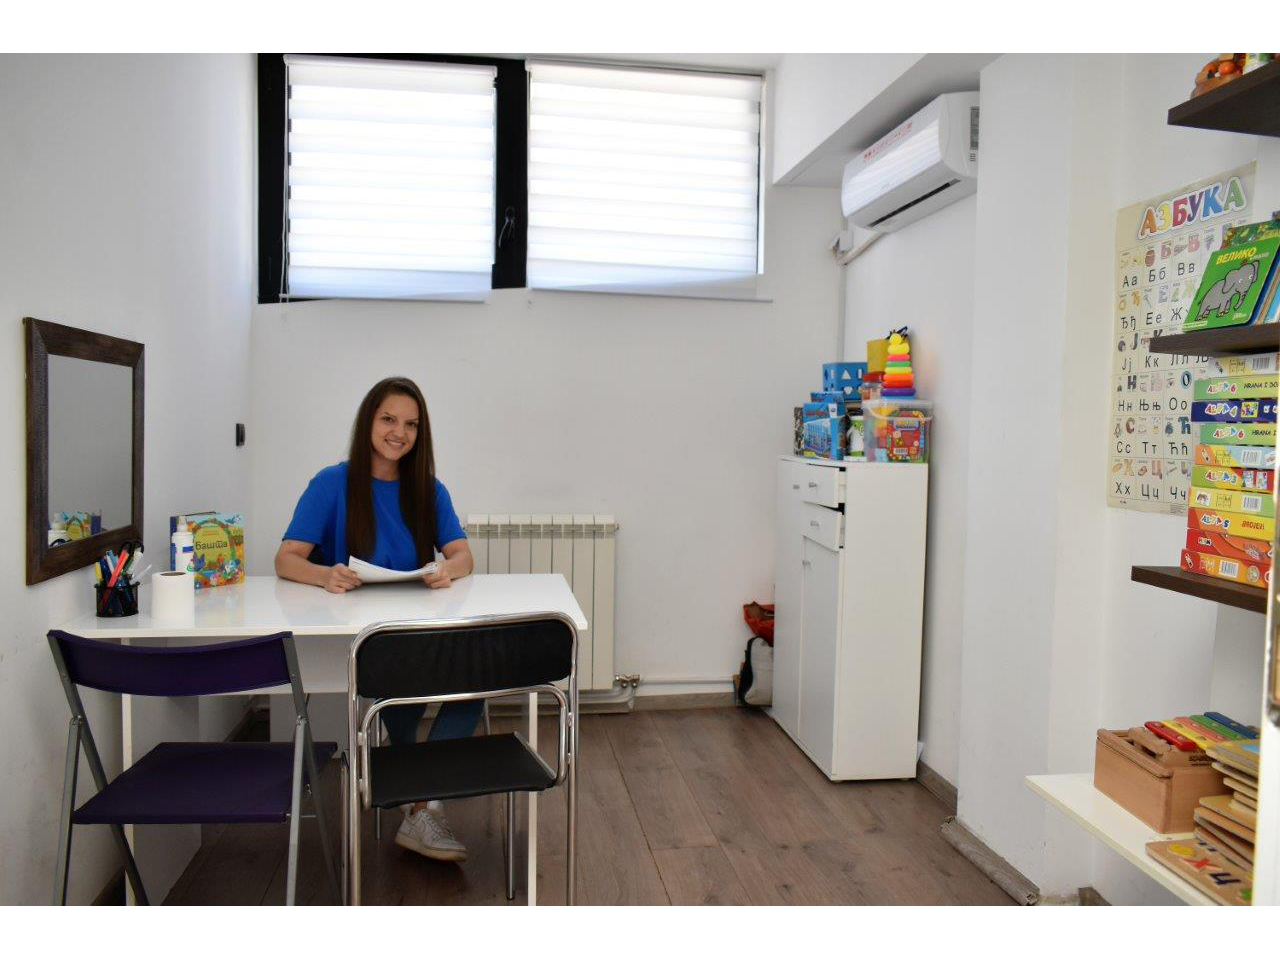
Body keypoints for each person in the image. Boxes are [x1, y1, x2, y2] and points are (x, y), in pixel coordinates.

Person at [274, 376, 477, 863]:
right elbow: (286, 558)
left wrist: (447, 569)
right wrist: (324, 575)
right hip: (363, 639)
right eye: (388, 419)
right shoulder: (331, 483)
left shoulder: (429, 489)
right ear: (368, 421)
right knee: (400, 686)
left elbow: (464, 555)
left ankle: (420, 801)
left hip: (417, 630)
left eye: (411, 424)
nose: (398, 433)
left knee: (478, 679)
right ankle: (421, 806)